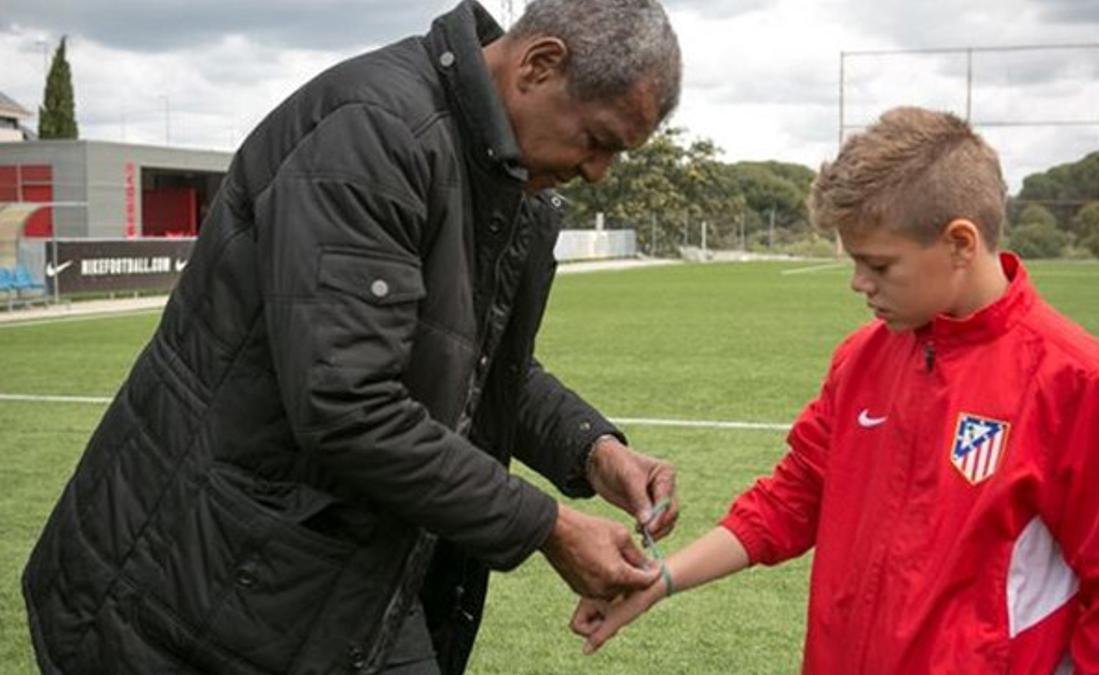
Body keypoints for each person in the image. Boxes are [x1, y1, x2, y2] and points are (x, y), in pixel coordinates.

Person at [23, 1, 682, 673]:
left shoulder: (495, 170)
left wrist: (591, 449)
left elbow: (462, 356)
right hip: (188, 577)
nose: (598, 170)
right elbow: (348, 402)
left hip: (317, 568)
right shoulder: (374, 134)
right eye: (597, 140)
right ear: (540, 66)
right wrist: (548, 527)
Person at [571, 107, 1099, 674]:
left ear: (960, 243)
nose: (859, 283)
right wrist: (661, 581)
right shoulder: (862, 359)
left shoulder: (1071, 379)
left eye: (879, 265)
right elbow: (790, 500)